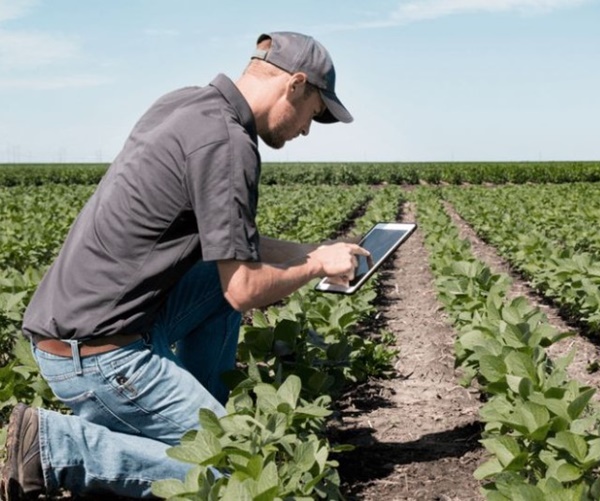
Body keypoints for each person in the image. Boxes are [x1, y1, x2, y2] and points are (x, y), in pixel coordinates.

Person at [0, 31, 368, 500]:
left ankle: (194, 418)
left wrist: (308, 249)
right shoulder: (229, 145)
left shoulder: (186, 106)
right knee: (239, 475)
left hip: (86, 325)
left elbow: (235, 251)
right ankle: (57, 447)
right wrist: (316, 267)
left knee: (215, 287)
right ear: (294, 84)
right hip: (98, 355)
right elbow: (244, 289)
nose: (306, 130)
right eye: (313, 114)